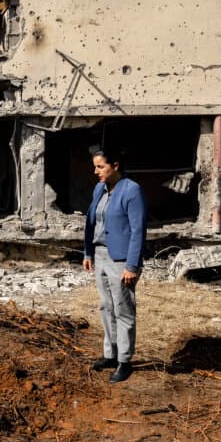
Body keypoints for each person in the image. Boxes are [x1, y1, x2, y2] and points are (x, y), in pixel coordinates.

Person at [83, 148, 146, 383]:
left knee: (123, 309)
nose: (96, 171)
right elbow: (91, 222)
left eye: (101, 167)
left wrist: (131, 265)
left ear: (115, 166)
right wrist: (88, 251)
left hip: (121, 260)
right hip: (99, 255)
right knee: (106, 306)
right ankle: (110, 354)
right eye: (95, 167)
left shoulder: (131, 190)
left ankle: (125, 361)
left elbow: (138, 230)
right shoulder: (99, 189)